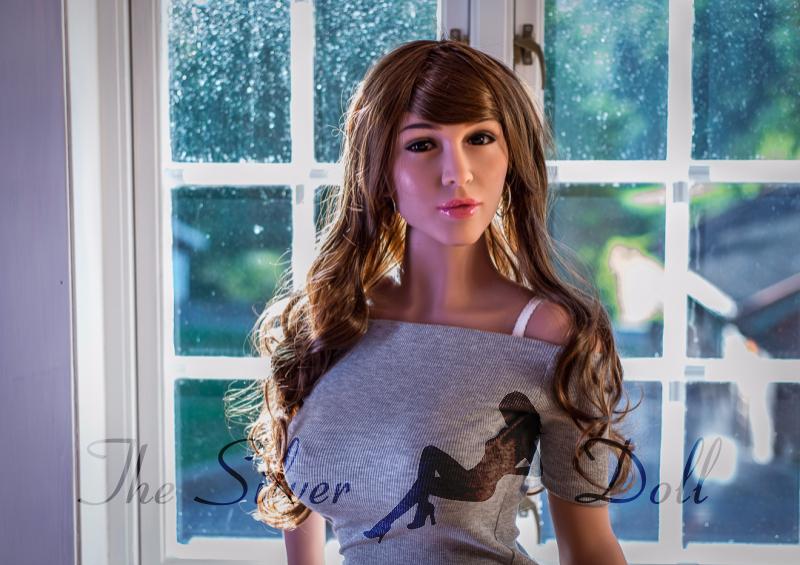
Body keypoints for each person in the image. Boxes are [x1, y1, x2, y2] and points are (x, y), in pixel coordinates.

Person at [231, 38, 638, 564]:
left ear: (511, 157)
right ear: (379, 167)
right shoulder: (328, 324)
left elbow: (590, 546)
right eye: (423, 144)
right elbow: (298, 525)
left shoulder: (550, 336)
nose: (457, 172)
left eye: (480, 138)